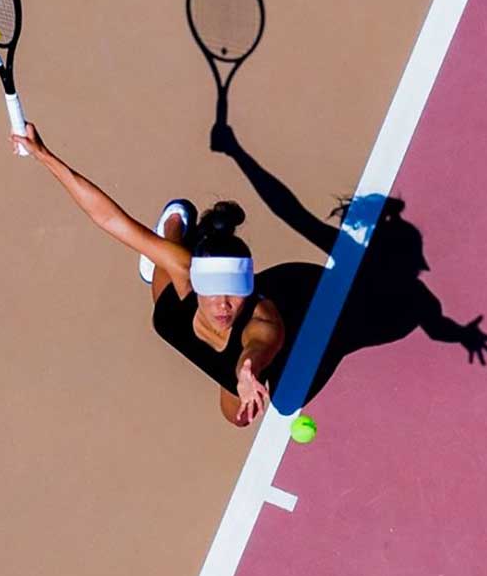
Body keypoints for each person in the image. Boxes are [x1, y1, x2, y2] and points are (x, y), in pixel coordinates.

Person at [14, 122, 284, 427]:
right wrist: (44, 155)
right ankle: (174, 224)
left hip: (229, 358)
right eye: (212, 292)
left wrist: (247, 372)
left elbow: (257, 347)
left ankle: (171, 245)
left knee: (238, 417)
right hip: (179, 307)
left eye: (233, 293)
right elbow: (108, 218)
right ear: (197, 284)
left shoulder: (263, 322)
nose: (223, 305)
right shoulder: (184, 274)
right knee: (165, 269)